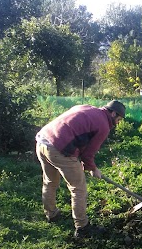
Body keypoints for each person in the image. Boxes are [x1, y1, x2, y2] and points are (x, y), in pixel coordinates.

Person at [35, 100, 126, 238]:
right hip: (60, 148)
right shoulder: (104, 125)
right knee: (78, 188)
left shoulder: (87, 108)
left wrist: (86, 165)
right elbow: (89, 153)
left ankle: (51, 214)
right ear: (113, 113)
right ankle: (82, 227)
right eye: (118, 119)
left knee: (49, 182)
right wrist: (92, 168)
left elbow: (76, 131)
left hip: (43, 141)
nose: (118, 123)